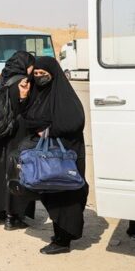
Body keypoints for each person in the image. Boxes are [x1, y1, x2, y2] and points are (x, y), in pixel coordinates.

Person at [17, 56, 87, 255]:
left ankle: (63, 240)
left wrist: (50, 130)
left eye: (43, 74)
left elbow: (75, 121)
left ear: (53, 74)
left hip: (66, 154)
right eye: (36, 74)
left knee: (66, 193)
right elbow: (27, 118)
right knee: (51, 192)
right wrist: (23, 97)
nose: (39, 77)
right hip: (48, 157)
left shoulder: (64, 96)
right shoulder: (38, 93)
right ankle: (60, 236)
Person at [0, 51, 35, 230]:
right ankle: (12, 216)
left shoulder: (0, 79)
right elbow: (23, 106)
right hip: (15, 133)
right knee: (14, 171)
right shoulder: (23, 81)